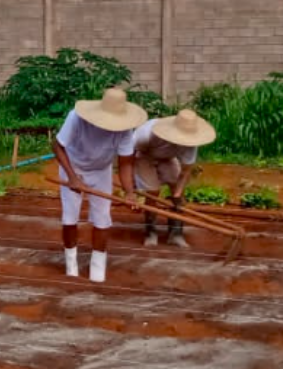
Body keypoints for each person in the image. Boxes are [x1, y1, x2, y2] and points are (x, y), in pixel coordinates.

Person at [52, 88, 146, 282]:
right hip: (73, 166)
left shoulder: (125, 130)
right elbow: (57, 145)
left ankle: (97, 272)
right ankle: (71, 268)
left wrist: (129, 192)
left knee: (103, 219)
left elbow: (125, 163)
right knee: (70, 217)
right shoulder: (77, 118)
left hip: (101, 170)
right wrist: (72, 178)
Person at [133, 109, 216, 248]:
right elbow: (128, 156)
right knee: (153, 192)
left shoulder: (191, 143)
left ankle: (176, 234)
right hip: (145, 156)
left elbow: (185, 172)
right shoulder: (146, 134)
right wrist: (132, 187)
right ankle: (150, 232)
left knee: (178, 194)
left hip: (168, 158)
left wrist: (177, 195)